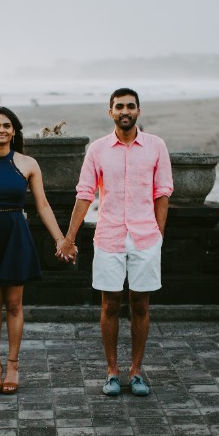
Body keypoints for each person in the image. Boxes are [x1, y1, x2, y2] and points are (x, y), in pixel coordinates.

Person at [56, 88, 172, 397]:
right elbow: (84, 194)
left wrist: (158, 235)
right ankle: (111, 371)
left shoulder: (156, 147)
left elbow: (163, 193)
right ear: (111, 112)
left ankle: (135, 371)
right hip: (109, 237)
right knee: (109, 304)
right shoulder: (97, 150)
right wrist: (69, 238)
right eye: (119, 106)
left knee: (141, 304)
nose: (125, 110)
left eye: (130, 106)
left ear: (138, 111)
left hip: (146, 237)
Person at [0, 106, 71, 395]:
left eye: (7, 125)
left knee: (15, 304)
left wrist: (61, 239)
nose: (1, 130)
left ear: (14, 130)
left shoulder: (28, 163)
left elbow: (43, 205)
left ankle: (13, 365)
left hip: (15, 234)